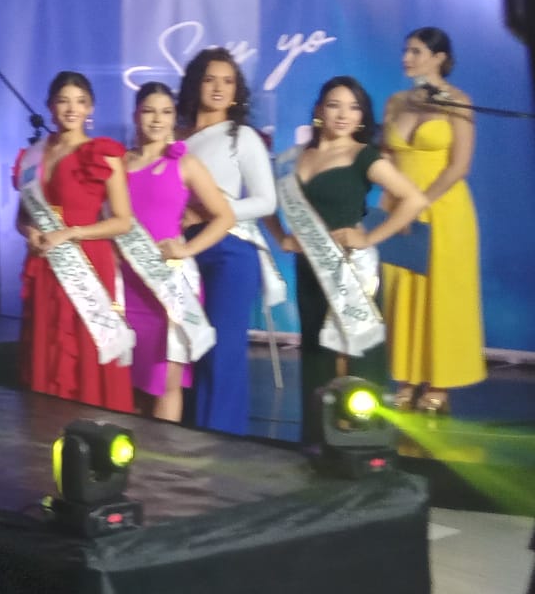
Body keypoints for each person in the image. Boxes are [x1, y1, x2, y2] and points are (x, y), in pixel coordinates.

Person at [266, 77, 427, 441]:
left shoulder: (362, 155)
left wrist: (369, 237)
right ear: (319, 110)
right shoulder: (294, 158)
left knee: (359, 353)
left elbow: (414, 199)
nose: (343, 114)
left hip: (350, 269)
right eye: (335, 105)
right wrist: (282, 238)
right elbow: (265, 202)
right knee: (317, 351)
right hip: (310, 268)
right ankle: (318, 440)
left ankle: (363, 438)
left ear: (362, 116)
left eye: (354, 107)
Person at [13, 72, 134, 410]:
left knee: (83, 347)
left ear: (90, 108)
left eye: (80, 102)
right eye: (63, 101)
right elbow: (22, 217)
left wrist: (71, 233)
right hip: (44, 261)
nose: (72, 109)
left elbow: (123, 221)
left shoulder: (101, 154)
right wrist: (30, 232)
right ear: (50, 106)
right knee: (47, 341)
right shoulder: (32, 157)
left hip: (87, 262)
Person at [383, 27, 486, 412]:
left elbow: (459, 165)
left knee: (441, 294)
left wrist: (419, 203)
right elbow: (386, 157)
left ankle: (439, 382)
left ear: (439, 58)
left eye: (416, 51)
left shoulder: (458, 102)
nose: (406, 58)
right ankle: (407, 377)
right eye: (405, 50)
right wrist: (391, 204)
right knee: (402, 291)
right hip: (399, 207)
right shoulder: (396, 102)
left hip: (442, 207)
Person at [120, 83, 235, 422]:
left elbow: (224, 216)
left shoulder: (186, 164)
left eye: (166, 112)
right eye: (149, 111)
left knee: (166, 381)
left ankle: (162, 455)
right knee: (132, 381)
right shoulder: (117, 164)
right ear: (135, 115)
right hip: (126, 286)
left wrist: (187, 249)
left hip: (168, 285)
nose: (157, 120)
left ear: (174, 118)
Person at [179, 48, 279, 435]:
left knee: (222, 351)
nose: (219, 88)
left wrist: (213, 211)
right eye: (210, 79)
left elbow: (266, 201)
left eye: (228, 81)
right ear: (195, 84)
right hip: (183, 253)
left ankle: (220, 440)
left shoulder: (242, 137)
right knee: (188, 349)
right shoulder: (176, 139)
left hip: (229, 252)